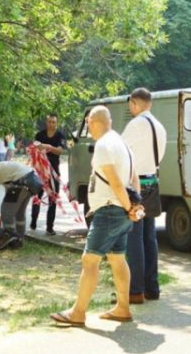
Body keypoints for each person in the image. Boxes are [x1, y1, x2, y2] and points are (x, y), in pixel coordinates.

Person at [50, 106, 141, 327]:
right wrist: (133, 207)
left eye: (88, 122)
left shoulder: (103, 145)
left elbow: (117, 183)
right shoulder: (121, 143)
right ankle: (122, 308)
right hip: (120, 212)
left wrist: (129, 207)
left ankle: (78, 313)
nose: (88, 126)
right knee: (118, 259)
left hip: (109, 211)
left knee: (89, 260)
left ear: (92, 121)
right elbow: (134, 178)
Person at [121, 87, 167, 304]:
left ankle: (135, 290)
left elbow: (120, 153)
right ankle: (152, 287)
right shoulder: (160, 126)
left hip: (136, 186)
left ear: (134, 103)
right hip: (153, 182)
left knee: (134, 237)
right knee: (150, 237)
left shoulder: (136, 124)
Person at [0, 161, 43, 248]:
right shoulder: (3, 172)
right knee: (19, 213)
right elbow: (10, 199)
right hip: (32, 182)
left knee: (7, 213)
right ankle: (20, 239)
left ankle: (10, 240)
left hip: (22, 182)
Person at [30, 114, 66, 235]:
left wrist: (49, 147)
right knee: (36, 197)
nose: (51, 124)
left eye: (53, 122)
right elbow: (33, 148)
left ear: (57, 123)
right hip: (40, 172)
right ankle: (33, 222)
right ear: (46, 122)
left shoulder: (60, 135)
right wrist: (38, 147)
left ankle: (49, 227)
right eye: (49, 122)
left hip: (54, 172)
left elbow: (60, 150)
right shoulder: (39, 135)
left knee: (53, 199)